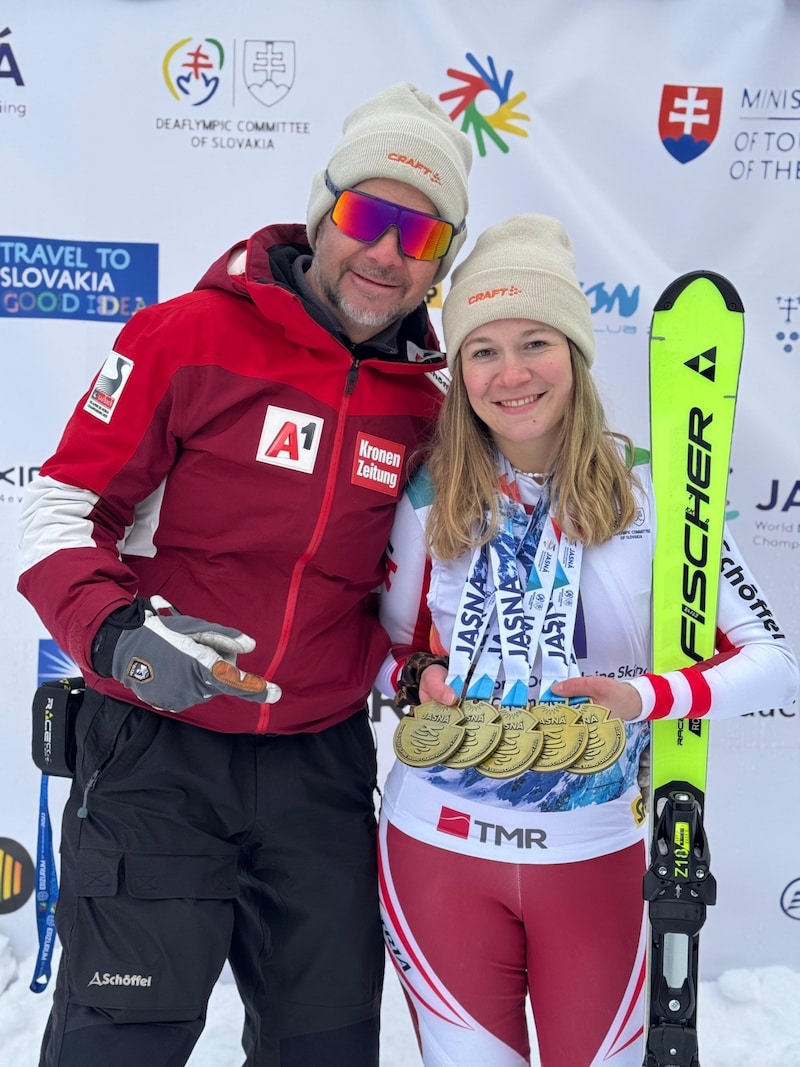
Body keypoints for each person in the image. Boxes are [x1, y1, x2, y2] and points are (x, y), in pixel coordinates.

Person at [16, 82, 472, 1067]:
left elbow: (417, 589)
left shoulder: (427, 408)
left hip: (318, 767)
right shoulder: (187, 336)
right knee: (119, 1046)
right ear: (324, 213)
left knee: (326, 1046)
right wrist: (121, 637)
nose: (387, 254)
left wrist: (419, 668)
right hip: (156, 756)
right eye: (368, 217)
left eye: (422, 236)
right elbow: (55, 510)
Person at [375, 214, 799, 1067]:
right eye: (483, 350)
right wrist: (417, 673)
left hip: (593, 852)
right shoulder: (428, 496)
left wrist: (642, 697)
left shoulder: (655, 494)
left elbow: (776, 661)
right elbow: (385, 649)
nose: (511, 373)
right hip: (439, 846)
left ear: (575, 351)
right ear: (458, 371)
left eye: (535, 340)